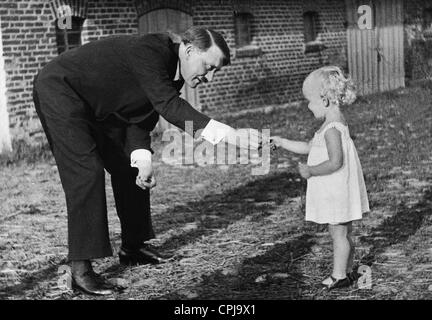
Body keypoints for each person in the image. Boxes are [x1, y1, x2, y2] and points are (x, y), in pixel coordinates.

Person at [33, 26, 261, 295]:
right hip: (60, 90)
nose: (209, 77)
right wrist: (232, 135)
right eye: (208, 67)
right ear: (189, 51)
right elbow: (169, 107)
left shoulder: (174, 74)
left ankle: (133, 247)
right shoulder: (150, 51)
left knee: (129, 168)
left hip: (97, 106)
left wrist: (142, 159)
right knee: (87, 171)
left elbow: (139, 119)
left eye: (215, 71)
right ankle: (80, 269)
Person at [270, 66, 369, 290]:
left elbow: (336, 162)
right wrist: (282, 142)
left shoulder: (332, 128)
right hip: (336, 188)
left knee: (339, 233)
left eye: (310, 101)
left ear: (324, 100)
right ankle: (345, 270)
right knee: (340, 232)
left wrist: (311, 171)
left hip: (337, 189)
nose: (307, 106)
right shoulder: (331, 124)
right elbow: (309, 147)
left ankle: (339, 275)